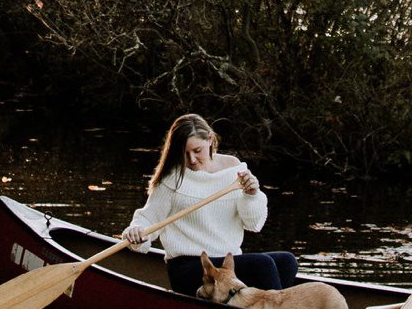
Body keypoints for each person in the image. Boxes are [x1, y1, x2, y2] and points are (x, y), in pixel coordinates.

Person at [124, 113, 299, 299]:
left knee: (287, 262)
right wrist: (136, 231)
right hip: (190, 268)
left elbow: (253, 224)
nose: (191, 160)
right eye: (185, 153)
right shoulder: (172, 179)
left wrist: (252, 195)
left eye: (197, 150)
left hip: (227, 265)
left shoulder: (234, 169)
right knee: (262, 265)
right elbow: (148, 218)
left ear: (209, 139)